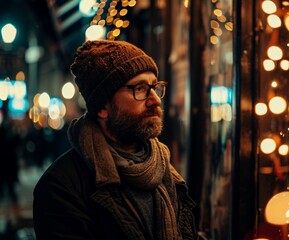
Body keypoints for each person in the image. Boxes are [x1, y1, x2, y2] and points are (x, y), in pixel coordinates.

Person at [33, 40, 198, 240]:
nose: (155, 99)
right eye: (140, 88)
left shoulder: (163, 167)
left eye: (155, 87)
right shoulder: (61, 186)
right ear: (103, 106)